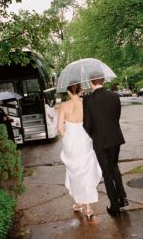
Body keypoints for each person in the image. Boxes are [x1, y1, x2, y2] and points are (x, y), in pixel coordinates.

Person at [83, 74, 128, 217]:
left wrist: (94, 135)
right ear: (103, 81)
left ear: (91, 82)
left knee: (107, 173)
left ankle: (115, 206)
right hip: (115, 138)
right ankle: (123, 198)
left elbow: (87, 124)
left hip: (100, 141)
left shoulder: (88, 99)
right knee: (114, 167)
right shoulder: (114, 96)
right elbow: (116, 116)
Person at [58, 83, 102, 219]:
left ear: (68, 91)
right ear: (80, 90)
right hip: (84, 139)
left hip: (71, 141)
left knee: (74, 172)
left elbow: (60, 128)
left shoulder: (64, 105)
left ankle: (78, 203)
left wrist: (68, 138)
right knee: (86, 170)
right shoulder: (85, 103)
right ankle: (88, 208)